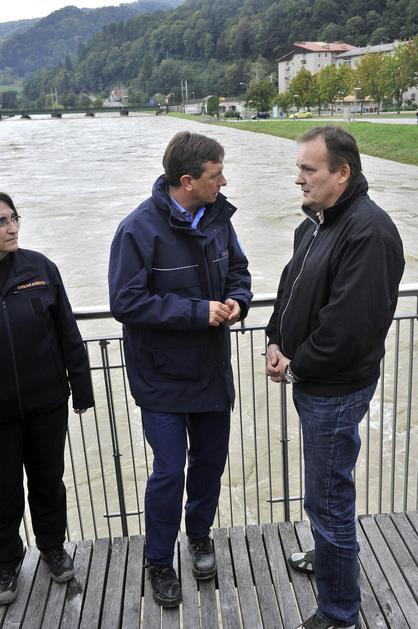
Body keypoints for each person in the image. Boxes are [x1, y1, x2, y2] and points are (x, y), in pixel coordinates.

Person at [265, 126, 404, 629]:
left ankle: (339, 612)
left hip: (336, 388)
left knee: (328, 502)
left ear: (342, 173)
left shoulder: (369, 233)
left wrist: (297, 365)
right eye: (299, 168)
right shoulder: (316, 223)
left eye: (308, 169)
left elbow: (349, 328)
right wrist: (274, 338)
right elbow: (289, 287)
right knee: (325, 495)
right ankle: (330, 558)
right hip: (314, 381)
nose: (298, 178)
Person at [108, 131, 252, 607]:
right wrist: (196, 312)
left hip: (211, 371)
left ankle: (199, 537)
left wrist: (238, 300)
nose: (223, 182)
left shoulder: (218, 218)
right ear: (187, 181)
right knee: (169, 473)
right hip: (161, 378)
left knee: (209, 466)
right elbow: (125, 302)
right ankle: (158, 561)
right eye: (216, 175)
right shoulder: (137, 229)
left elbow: (239, 272)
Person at [0, 192, 94, 606]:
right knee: (2, 490)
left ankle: (53, 548)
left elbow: (67, 331)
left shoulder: (40, 268)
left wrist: (81, 387)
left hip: (46, 402)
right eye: (2, 222)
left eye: (13, 218)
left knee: (48, 481)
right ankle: (6, 561)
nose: (12, 228)